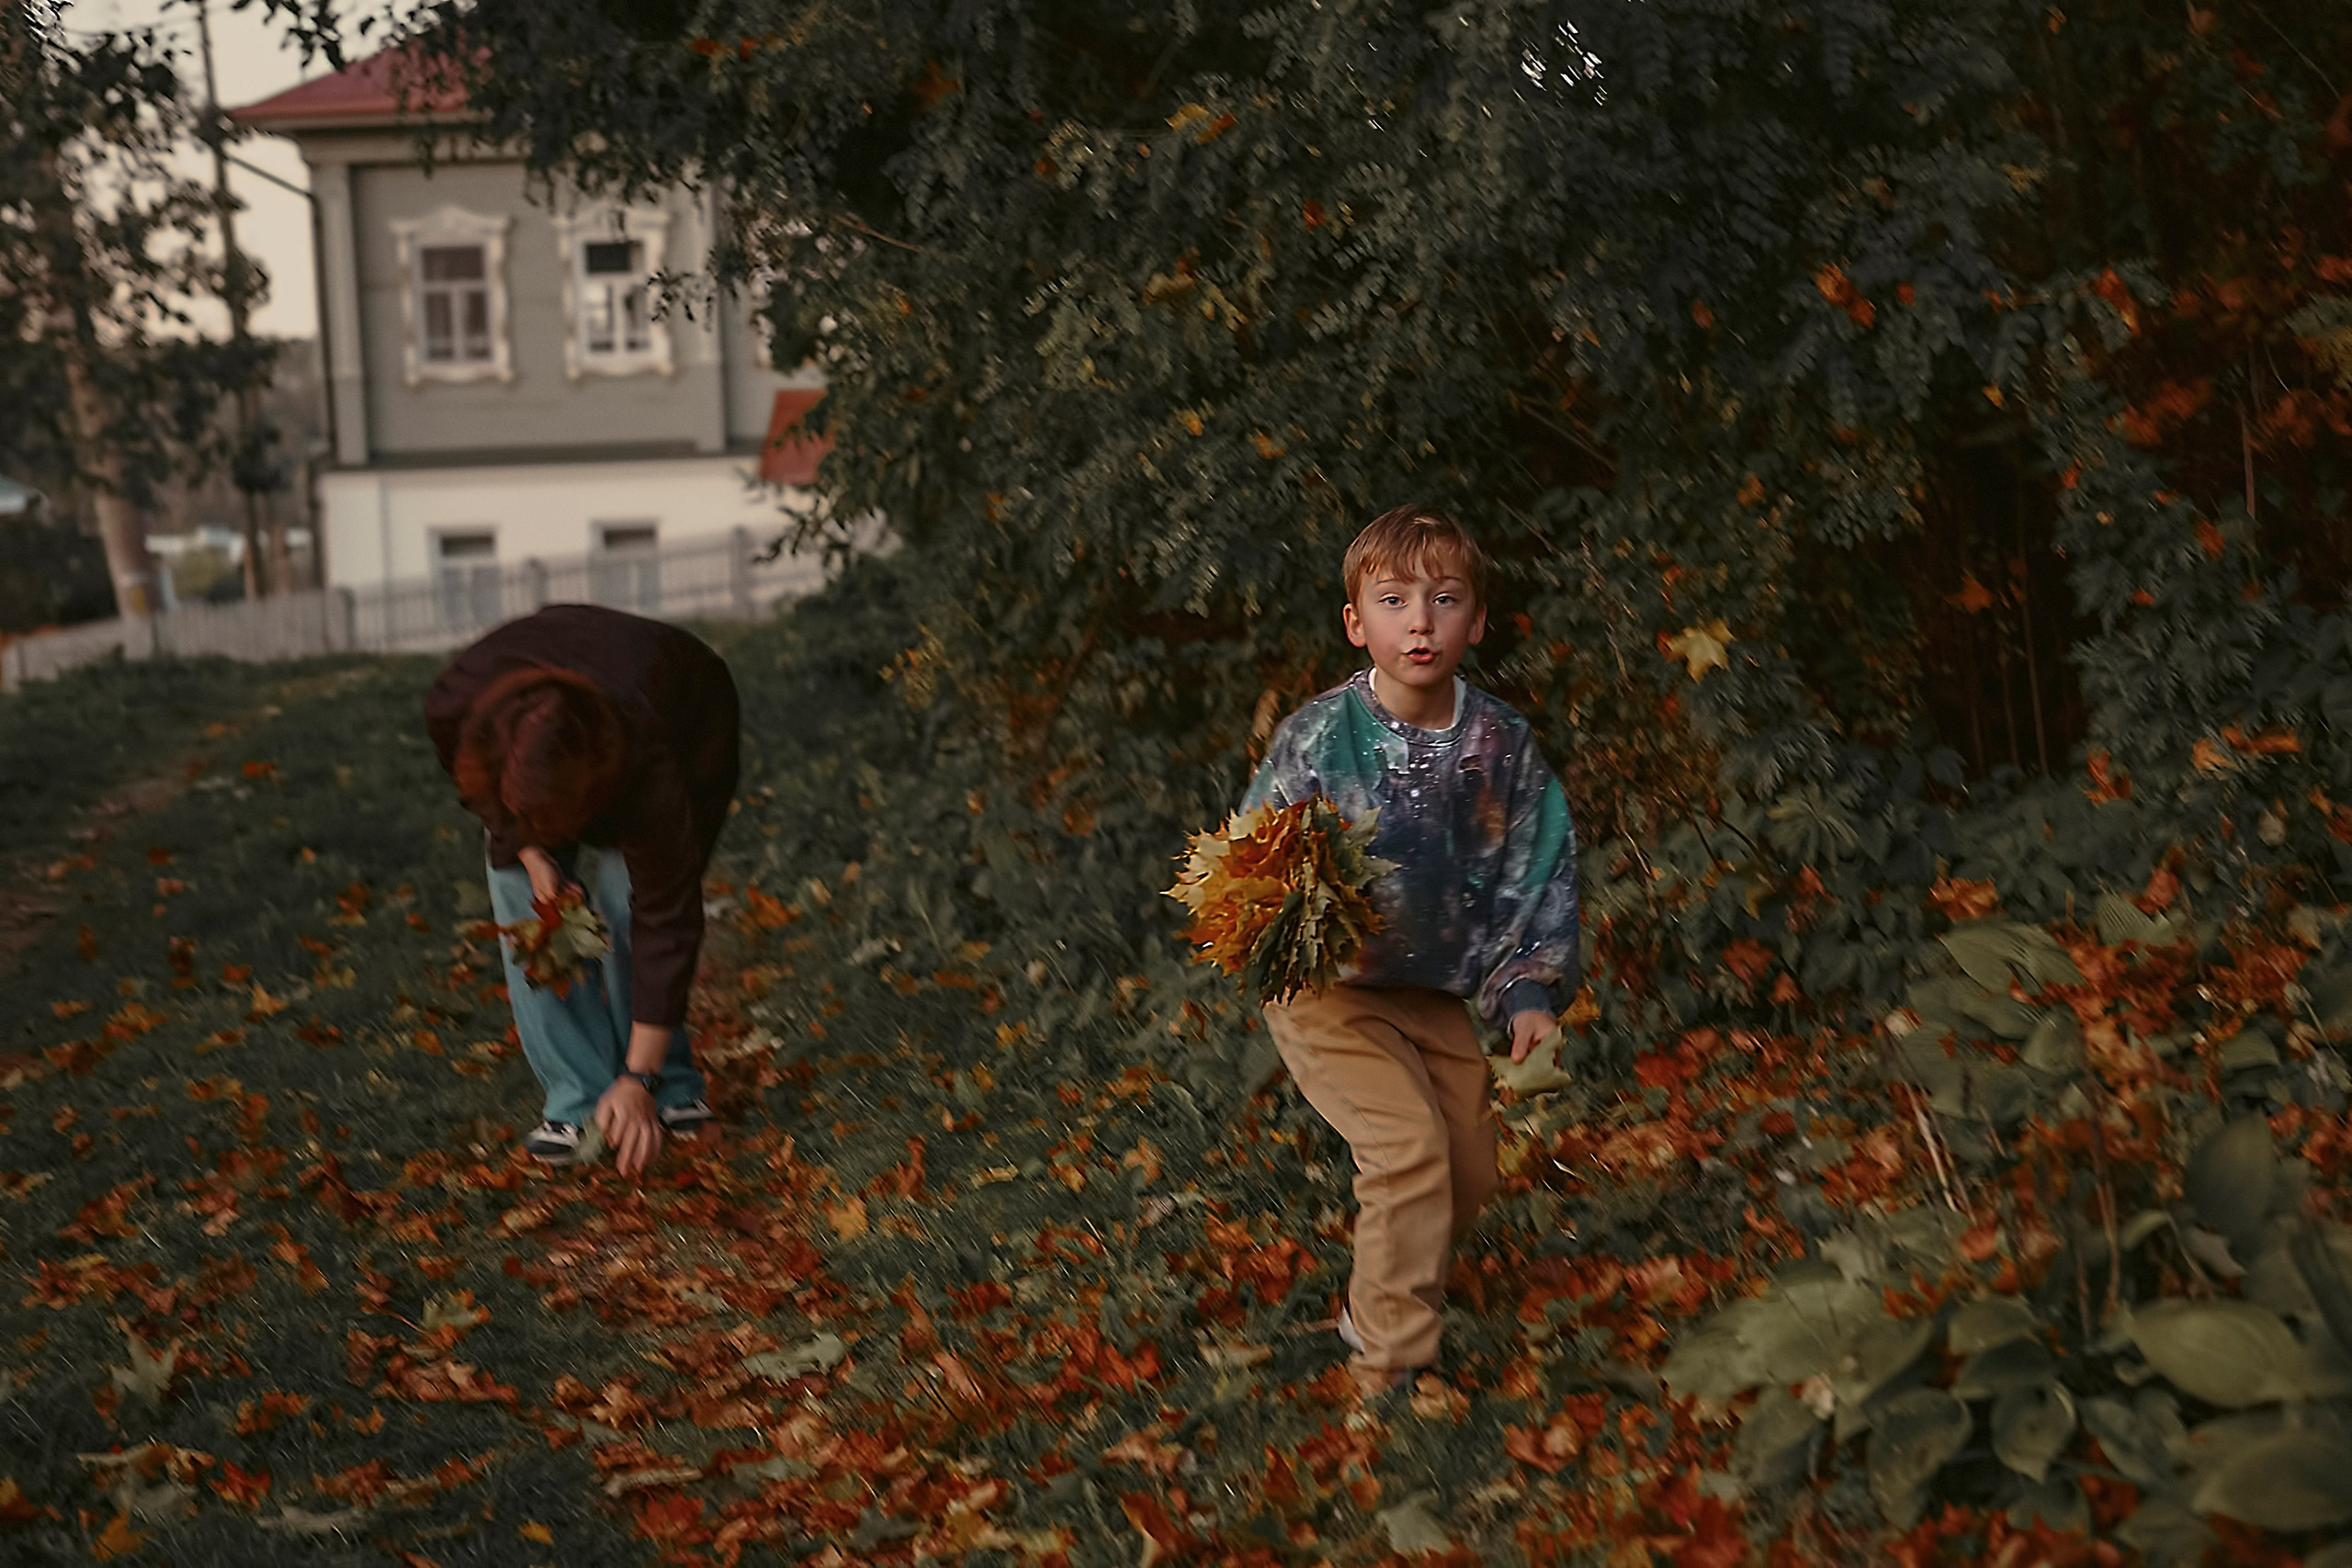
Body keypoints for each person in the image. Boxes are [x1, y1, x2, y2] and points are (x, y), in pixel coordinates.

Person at [1240, 505, 1580, 1396]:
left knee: (1465, 1173)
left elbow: (1533, 871)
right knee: (1406, 1153)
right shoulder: (1318, 740)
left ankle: (1372, 1303)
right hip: (1327, 991)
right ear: (1357, 622)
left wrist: (1526, 990)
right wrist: (1278, 919)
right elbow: (1251, 859)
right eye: (1393, 600)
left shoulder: (1499, 746)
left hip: (1432, 992)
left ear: (1477, 620)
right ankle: (1388, 1371)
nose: (1419, 620)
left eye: (1444, 598)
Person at [424, 604, 741, 1176]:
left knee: (630, 905)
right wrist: (531, 852)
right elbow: (485, 796)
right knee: (522, 899)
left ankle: (661, 1087)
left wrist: (638, 1076)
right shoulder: (456, 706)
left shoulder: (648, 767)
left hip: (687, 718)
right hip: (544, 721)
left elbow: (664, 921)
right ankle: (580, 1100)